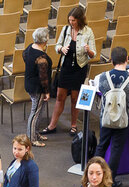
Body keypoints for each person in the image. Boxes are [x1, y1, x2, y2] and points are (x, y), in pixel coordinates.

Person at [43, 6, 96, 135]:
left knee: (74, 98)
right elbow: (57, 46)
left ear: (79, 20)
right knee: (60, 97)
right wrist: (62, 49)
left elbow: (93, 54)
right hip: (66, 67)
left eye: (73, 20)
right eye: (70, 20)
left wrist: (88, 50)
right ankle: (52, 125)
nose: (71, 23)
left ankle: (73, 125)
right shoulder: (66, 29)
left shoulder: (88, 32)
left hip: (79, 69)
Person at [93, 46, 129, 185]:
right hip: (123, 120)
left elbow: (100, 91)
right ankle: (110, 180)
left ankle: (94, 174)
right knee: (116, 149)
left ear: (111, 60)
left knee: (101, 145)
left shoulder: (102, 77)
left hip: (106, 118)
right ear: (127, 59)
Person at [23, 27, 53, 146]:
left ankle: (35, 133)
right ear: (45, 40)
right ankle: (32, 139)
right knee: (35, 113)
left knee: (38, 111)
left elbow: (24, 55)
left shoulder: (30, 48)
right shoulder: (42, 59)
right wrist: (47, 91)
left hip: (29, 83)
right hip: (37, 88)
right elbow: (44, 78)